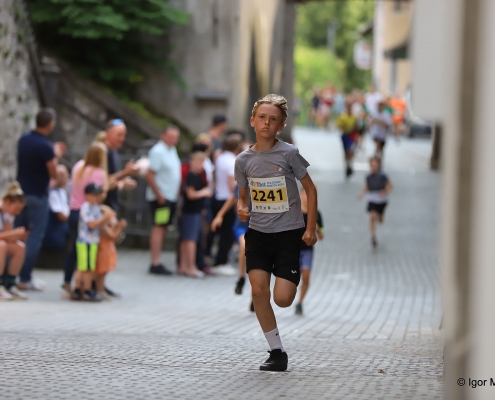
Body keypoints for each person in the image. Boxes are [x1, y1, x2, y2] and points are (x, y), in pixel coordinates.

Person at [235, 94, 318, 372]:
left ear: (281, 125)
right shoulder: (243, 160)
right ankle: (276, 352)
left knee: (282, 299)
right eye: (262, 117)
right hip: (258, 234)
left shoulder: (289, 154)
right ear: (252, 121)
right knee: (259, 292)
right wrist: (242, 207)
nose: (266, 123)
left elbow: (310, 189)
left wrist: (310, 227)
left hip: (288, 234)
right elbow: (242, 197)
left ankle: (288, 281)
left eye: (273, 119)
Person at [15, 108, 66, 291]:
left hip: (21, 193)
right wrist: (56, 155)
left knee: (17, 234)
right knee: (34, 237)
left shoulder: (24, 139)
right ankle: (25, 277)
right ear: (50, 125)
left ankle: (9, 275)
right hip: (38, 194)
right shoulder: (45, 146)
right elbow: (53, 173)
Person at [62, 142, 108, 295]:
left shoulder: (78, 166)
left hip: (74, 211)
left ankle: (68, 282)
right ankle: (85, 286)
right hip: (88, 214)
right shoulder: (98, 173)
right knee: (86, 256)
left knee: (73, 250)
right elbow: (100, 196)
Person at [145, 126, 181, 275]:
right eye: (171, 137)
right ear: (163, 136)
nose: (174, 140)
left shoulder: (171, 150)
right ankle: (155, 262)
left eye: (176, 137)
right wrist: (159, 195)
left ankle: (157, 260)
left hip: (169, 196)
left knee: (163, 227)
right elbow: (149, 174)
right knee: (159, 227)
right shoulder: (158, 151)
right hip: (161, 197)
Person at [208, 134, 243, 274]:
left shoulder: (221, 158)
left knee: (218, 232)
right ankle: (221, 261)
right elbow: (232, 187)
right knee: (227, 233)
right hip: (227, 201)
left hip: (218, 197)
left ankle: (214, 258)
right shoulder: (232, 161)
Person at [73, 183, 115, 301]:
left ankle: (81, 289)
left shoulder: (95, 207)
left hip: (93, 241)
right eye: (94, 194)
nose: (96, 197)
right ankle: (84, 289)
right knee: (85, 267)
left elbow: (99, 222)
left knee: (87, 266)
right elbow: (91, 224)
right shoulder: (85, 207)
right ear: (87, 195)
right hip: (85, 241)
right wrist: (105, 217)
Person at [178, 152, 212, 278]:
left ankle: (183, 266)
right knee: (191, 239)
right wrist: (204, 192)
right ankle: (191, 267)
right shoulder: (192, 176)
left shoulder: (196, 175)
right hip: (191, 211)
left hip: (193, 210)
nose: (200, 165)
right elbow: (191, 194)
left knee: (186, 238)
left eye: (202, 162)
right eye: (198, 162)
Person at [295, 188, 324, 315]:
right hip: (294, 249)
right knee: (291, 277)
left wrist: (317, 229)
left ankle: (300, 302)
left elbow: (322, 235)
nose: (307, 197)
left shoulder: (316, 214)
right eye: (305, 194)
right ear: (301, 195)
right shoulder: (295, 211)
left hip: (307, 250)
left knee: (306, 276)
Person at [0, 182, 29, 300]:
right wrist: (13, 233)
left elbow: (6, 236)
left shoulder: (8, 215)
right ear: (7, 202)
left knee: (19, 247)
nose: (17, 212)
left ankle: (11, 285)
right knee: (1, 246)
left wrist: (18, 236)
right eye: (16, 209)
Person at [358, 157, 393, 248]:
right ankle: (373, 236)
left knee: (380, 220)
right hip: (372, 198)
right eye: (372, 165)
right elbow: (368, 186)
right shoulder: (368, 176)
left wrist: (385, 191)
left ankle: (380, 214)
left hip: (381, 199)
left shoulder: (383, 176)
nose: (373, 167)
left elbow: (390, 186)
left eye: (375, 165)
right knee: (372, 216)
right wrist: (362, 192)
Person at [94, 204, 127, 300]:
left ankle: (101, 291)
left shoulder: (107, 226)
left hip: (107, 252)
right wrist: (120, 228)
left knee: (103, 273)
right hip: (103, 253)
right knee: (100, 273)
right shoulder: (103, 227)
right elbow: (113, 237)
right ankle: (99, 290)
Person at [43, 165, 70, 251]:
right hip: (54, 232)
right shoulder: (53, 194)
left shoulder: (62, 192)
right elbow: (60, 216)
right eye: (65, 176)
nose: (67, 179)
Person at [337, 100, 358, 178]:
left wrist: (356, 137)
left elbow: (356, 127)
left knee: (350, 150)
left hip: (351, 136)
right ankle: (347, 165)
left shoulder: (354, 117)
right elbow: (339, 126)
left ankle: (350, 164)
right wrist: (343, 126)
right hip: (345, 135)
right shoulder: (343, 117)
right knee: (346, 152)